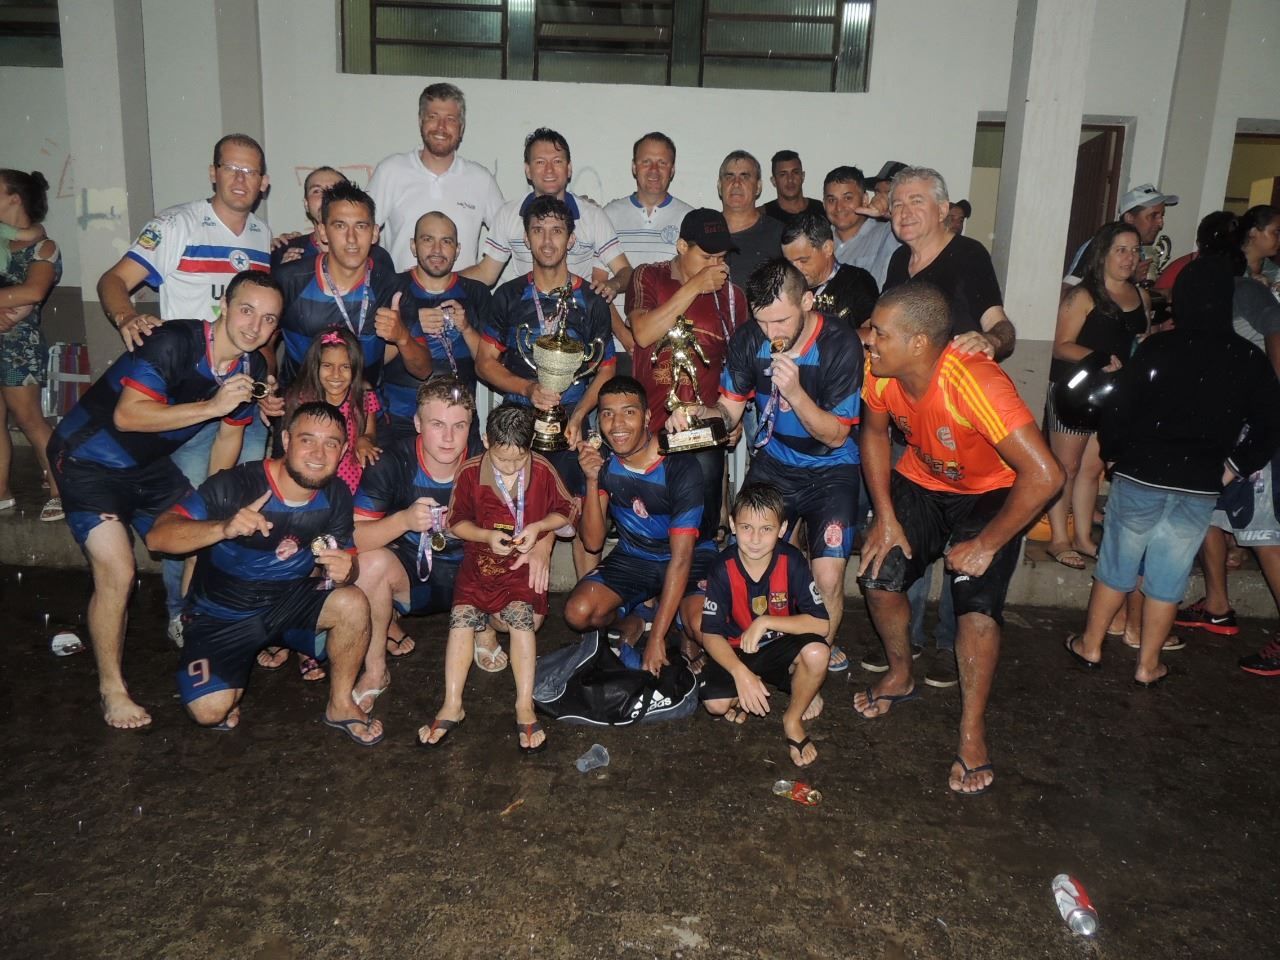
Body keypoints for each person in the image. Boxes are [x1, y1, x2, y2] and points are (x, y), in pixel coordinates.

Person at [48, 269, 281, 729]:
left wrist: (215, 509)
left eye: (269, 319)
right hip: (87, 460)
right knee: (119, 570)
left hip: (147, 467)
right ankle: (112, 690)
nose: (255, 326)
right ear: (223, 306)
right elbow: (128, 416)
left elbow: (228, 440)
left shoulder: (251, 368)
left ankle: (194, 646)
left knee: (202, 536)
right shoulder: (174, 342)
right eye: (246, 310)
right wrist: (213, 406)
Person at [857, 282, 1063, 795]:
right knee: (878, 575)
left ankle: (972, 730)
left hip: (991, 492)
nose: (869, 340)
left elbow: (1046, 475)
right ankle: (901, 673)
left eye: (880, 332)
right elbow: (875, 434)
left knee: (976, 609)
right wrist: (886, 515)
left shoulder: (973, 382)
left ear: (919, 342)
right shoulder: (880, 371)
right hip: (922, 480)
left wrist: (987, 544)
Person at [1064, 255, 1280, 686]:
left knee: (1118, 564)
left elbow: (1118, 408)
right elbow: (1269, 423)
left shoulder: (1158, 348)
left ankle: (1091, 646)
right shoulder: (1247, 357)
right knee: (1169, 575)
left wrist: (1115, 456)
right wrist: (1232, 470)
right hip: (1198, 484)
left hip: (1141, 474)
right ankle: (1148, 666)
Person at [97, 134, 275, 645]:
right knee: (191, 508)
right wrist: (126, 316)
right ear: (213, 172)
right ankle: (181, 611)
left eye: (251, 172)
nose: (240, 179)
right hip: (188, 402)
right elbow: (113, 280)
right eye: (231, 168)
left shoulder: (261, 234)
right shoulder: (177, 224)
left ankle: (225, 600)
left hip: (238, 396)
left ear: (264, 183)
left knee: (244, 498)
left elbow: (261, 322)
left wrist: (265, 381)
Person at [145, 401, 382, 746]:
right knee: (209, 712)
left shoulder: (337, 494)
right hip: (221, 614)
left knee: (353, 602)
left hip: (286, 603)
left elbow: (345, 558)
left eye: (331, 443)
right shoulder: (235, 485)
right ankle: (230, 668)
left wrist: (348, 569)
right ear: (286, 440)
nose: (318, 454)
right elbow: (157, 537)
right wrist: (222, 528)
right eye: (307, 440)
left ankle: (340, 703)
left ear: (343, 450)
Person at [669, 259, 863, 670]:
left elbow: (836, 435)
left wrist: (795, 392)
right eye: (762, 321)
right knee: (751, 556)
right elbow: (728, 413)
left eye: (781, 320)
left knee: (828, 576)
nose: (771, 332)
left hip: (831, 468)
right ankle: (755, 655)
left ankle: (811, 665)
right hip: (775, 462)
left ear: (807, 301)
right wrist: (696, 415)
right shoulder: (747, 340)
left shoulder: (840, 343)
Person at [870, 166, 1018, 687]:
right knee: (903, 547)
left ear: (942, 209)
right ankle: (905, 648)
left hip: (968, 419)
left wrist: (991, 342)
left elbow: (1002, 325)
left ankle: (953, 647)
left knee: (968, 557)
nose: (904, 212)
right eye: (896, 204)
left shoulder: (968, 254)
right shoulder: (899, 261)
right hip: (913, 424)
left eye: (916, 201)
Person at [352, 378, 528, 708]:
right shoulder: (392, 462)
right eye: (437, 424)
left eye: (459, 426)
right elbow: (354, 537)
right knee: (370, 563)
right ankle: (375, 669)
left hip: (473, 573)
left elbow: (521, 525)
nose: (448, 438)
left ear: (471, 428)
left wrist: (475, 529)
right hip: (412, 576)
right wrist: (403, 521)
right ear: (418, 423)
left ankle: (483, 628)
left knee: (522, 612)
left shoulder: (489, 461)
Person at [418, 403, 577, 753]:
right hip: (479, 563)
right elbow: (455, 521)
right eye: (502, 460)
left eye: (519, 460)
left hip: (520, 564)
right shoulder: (470, 471)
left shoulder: (543, 470)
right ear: (486, 441)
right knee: (461, 620)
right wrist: (486, 536)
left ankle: (524, 705)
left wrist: (539, 527)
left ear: (530, 445)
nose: (510, 467)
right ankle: (452, 704)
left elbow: (567, 510)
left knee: (522, 620)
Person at [476, 194, 616, 572]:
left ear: (572, 239)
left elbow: (606, 369)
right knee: (510, 513)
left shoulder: (592, 300)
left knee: (587, 513)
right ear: (526, 238)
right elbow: (484, 363)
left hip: (573, 420)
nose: (548, 240)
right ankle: (509, 592)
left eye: (557, 230)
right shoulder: (508, 296)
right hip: (519, 421)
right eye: (538, 230)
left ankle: (588, 598)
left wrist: (579, 416)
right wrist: (527, 389)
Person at [563, 377, 718, 675]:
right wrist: (592, 480)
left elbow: (681, 558)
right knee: (577, 612)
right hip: (635, 555)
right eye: (607, 414)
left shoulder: (678, 464)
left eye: (629, 412)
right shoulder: (601, 459)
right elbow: (593, 542)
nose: (617, 424)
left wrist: (657, 640)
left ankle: (678, 626)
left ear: (647, 417)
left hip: (690, 556)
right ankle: (636, 618)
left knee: (701, 626)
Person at [625, 208, 748, 537]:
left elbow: (738, 368)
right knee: (650, 531)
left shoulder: (732, 297)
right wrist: (694, 287)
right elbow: (643, 333)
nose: (716, 266)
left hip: (700, 431)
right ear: (682, 246)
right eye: (707, 257)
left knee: (699, 534)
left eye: (722, 257)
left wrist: (731, 416)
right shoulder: (649, 276)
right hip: (647, 426)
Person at [699, 482, 830, 767]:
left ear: (782, 529)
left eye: (766, 529)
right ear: (732, 524)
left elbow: (821, 625)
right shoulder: (722, 567)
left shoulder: (792, 560)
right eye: (746, 527)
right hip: (737, 650)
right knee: (715, 705)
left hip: (777, 645)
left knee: (818, 652)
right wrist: (740, 673)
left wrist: (766, 621)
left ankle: (792, 719)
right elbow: (710, 634)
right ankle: (752, 684)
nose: (755, 539)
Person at [1044, 222, 1150, 570]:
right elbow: (1061, 346)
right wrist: (1098, 358)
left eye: (1135, 251)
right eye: (1121, 250)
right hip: (1075, 391)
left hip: (1114, 393)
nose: (1130, 257)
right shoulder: (1083, 295)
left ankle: (1083, 537)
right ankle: (1058, 538)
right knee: (1066, 466)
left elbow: (1140, 342)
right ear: (1103, 254)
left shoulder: (1140, 296)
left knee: (1092, 468)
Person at [272, 180, 408, 391]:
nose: (351, 238)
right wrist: (266, 386)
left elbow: (422, 369)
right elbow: (262, 339)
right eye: (340, 226)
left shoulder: (390, 285)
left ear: (374, 233)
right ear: (322, 232)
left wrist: (402, 338)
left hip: (364, 404)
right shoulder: (288, 279)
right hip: (300, 403)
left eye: (360, 226)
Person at [466, 128, 631, 301]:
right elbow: (486, 274)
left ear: (569, 169)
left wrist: (613, 285)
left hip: (577, 312)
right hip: (527, 312)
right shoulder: (508, 214)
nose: (549, 170)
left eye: (557, 161)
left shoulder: (593, 216)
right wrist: (446, 280)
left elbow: (625, 271)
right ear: (528, 170)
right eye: (540, 162)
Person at [367, 82, 504, 272]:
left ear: (461, 128)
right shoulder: (390, 171)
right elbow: (360, 231)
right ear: (420, 121)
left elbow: (509, 234)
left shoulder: (481, 179)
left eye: (450, 119)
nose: (441, 127)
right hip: (401, 291)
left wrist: (481, 275)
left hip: (463, 291)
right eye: (433, 117)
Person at [384, 211, 488, 446]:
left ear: (457, 250)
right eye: (427, 239)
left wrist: (466, 328)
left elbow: (490, 364)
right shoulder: (390, 288)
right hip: (399, 421)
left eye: (446, 241)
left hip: (459, 421)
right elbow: (369, 363)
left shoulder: (476, 293)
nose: (437, 250)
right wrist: (410, 326)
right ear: (413, 246)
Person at [0, 169, 62, 521]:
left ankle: (61, 490)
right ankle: (1, 493)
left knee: (29, 420)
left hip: (18, 347)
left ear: (15, 198)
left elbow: (34, 291)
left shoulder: (43, 246)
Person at [603, 132, 693, 269]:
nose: (654, 170)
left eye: (662, 163)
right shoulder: (608, 215)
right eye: (646, 162)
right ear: (634, 167)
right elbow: (599, 275)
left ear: (672, 170)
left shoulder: (690, 219)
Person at [780, 212, 878, 334]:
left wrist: (835, 341)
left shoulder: (857, 282)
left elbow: (873, 333)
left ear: (827, 248)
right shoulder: (785, 286)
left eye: (803, 260)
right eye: (789, 263)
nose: (795, 269)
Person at [1064, 183, 1178, 287]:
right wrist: (1130, 278)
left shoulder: (1142, 250)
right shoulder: (1102, 243)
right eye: (1153, 216)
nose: (1161, 223)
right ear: (1130, 218)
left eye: (1161, 216)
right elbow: (1068, 289)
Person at [822, 165, 900, 291]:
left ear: (864, 200)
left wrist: (893, 212)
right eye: (831, 200)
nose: (839, 207)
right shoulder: (817, 242)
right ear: (824, 204)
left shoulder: (888, 234)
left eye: (847, 198)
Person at [718, 150, 783, 289]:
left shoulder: (779, 234)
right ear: (719, 186)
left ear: (758, 187)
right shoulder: (703, 230)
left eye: (745, 177)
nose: (736, 183)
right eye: (729, 176)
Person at [270, 166, 349, 268]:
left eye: (335, 190)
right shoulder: (282, 251)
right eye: (317, 191)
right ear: (306, 204)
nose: (325, 196)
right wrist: (283, 274)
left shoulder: (367, 251)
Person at [762, 150, 827, 224]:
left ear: (802, 176)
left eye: (795, 172)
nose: (790, 179)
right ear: (774, 181)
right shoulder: (763, 215)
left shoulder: (821, 209)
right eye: (783, 174)